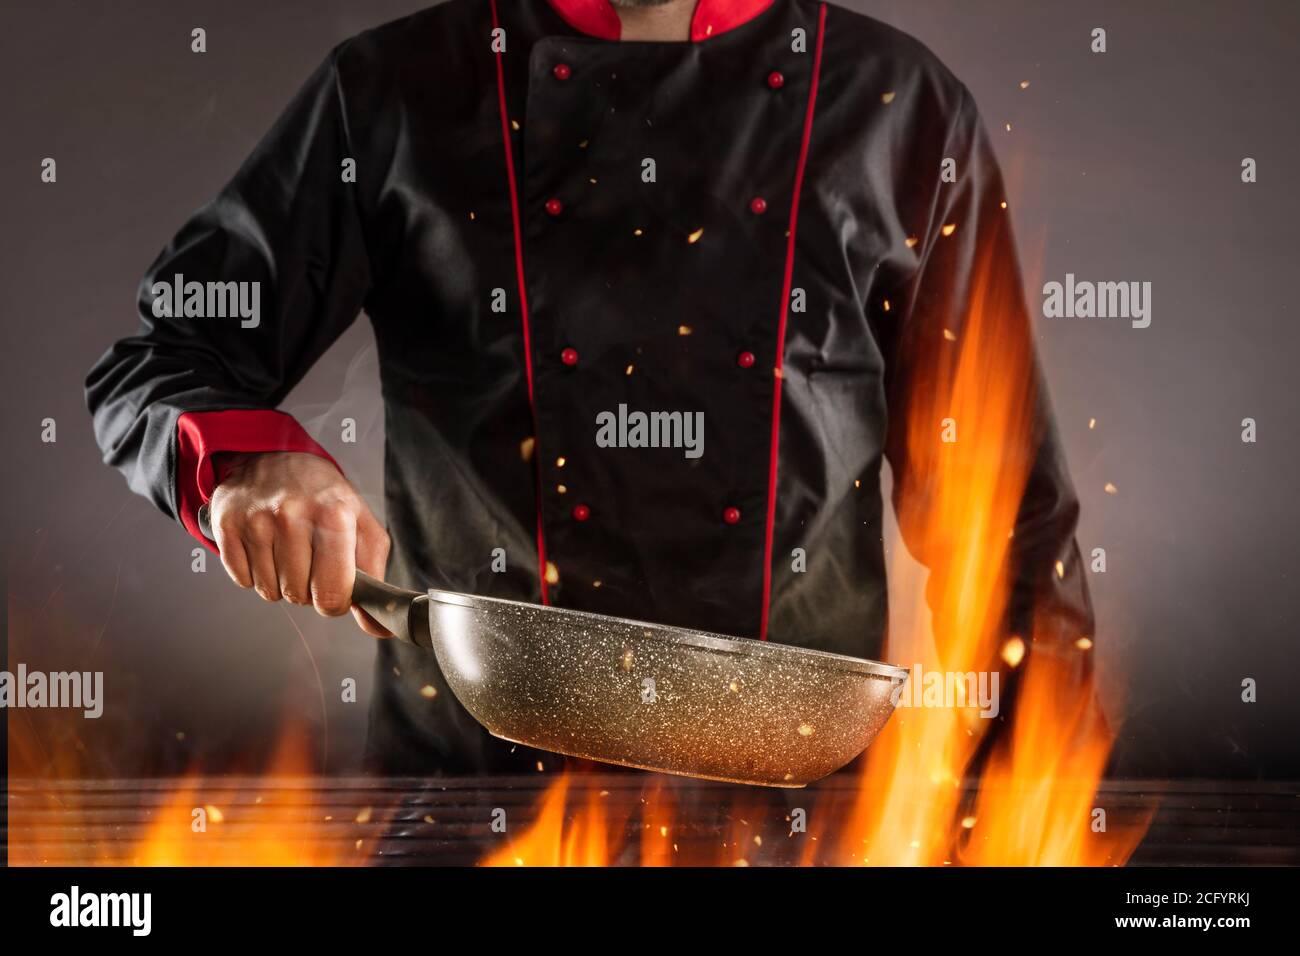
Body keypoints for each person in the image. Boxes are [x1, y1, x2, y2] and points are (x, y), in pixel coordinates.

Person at [86, 0, 1094, 775]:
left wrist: (1034, 802)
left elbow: (1009, 521)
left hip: (809, 818)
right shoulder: (392, 88)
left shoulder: (901, 107)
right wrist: (245, 462)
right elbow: (160, 358)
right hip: (468, 804)